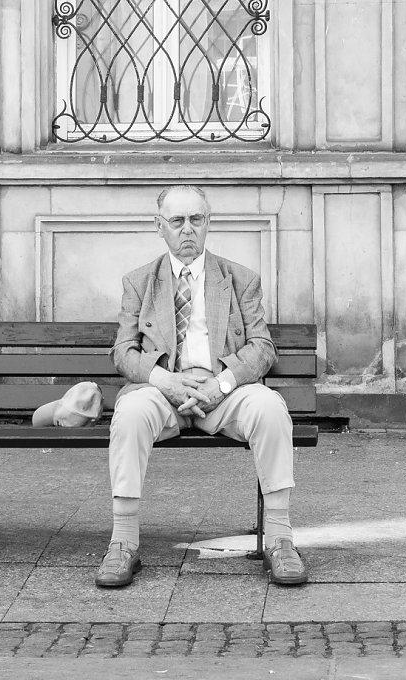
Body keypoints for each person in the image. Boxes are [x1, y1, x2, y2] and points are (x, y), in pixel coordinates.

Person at [98, 185, 308, 588]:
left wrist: (221, 383)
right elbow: (123, 352)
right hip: (163, 392)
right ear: (160, 227)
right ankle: (123, 542)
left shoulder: (240, 280)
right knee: (130, 413)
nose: (187, 230)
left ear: (208, 223)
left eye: (196, 219)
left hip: (223, 393)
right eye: (177, 221)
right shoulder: (140, 281)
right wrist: (167, 381)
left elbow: (262, 348)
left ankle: (280, 539)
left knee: (269, 407)